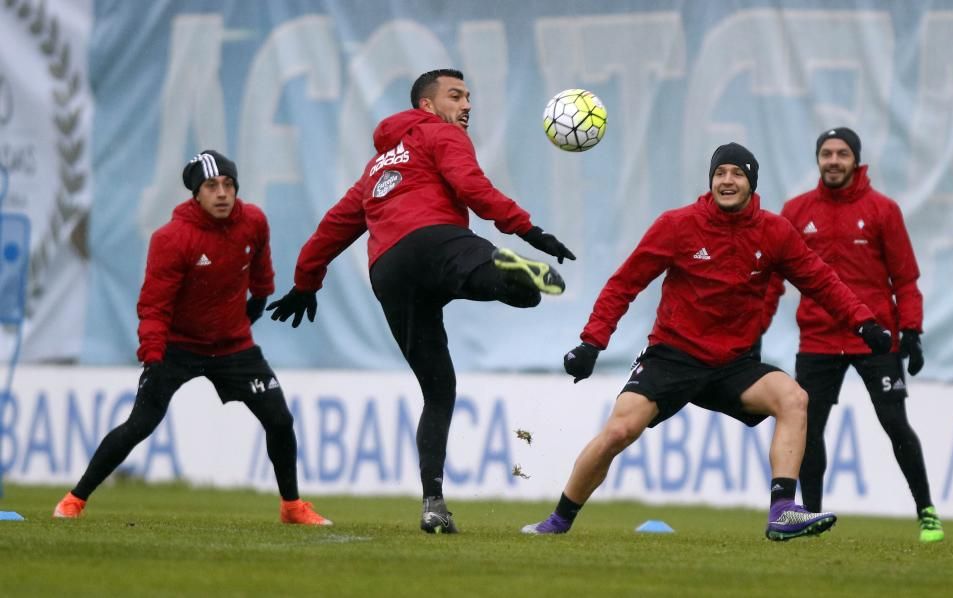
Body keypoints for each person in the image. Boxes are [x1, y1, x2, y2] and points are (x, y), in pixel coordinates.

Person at [522, 142, 893, 541]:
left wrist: (863, 324)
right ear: (711, 180)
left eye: (736, 173)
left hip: (734, 364)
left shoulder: (774, 231)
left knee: (793, 398)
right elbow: (624, 284)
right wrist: (591, 343)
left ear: (751, 182)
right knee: (619, 432)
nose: (727, 181)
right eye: (720, 173)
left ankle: (783, 510)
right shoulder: (678, 225)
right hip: (673, 356)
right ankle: (558, 521)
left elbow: (821, 281)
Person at [266, 69, 575, 534]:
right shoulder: (441, 135)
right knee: (524, 293)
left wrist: (306, 281)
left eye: (469, 96)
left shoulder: (375, 170)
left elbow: (332, 227)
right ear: (426, 106)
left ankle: (433, 503)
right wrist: (527, 229)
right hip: (436, 240)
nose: (467, 104)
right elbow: (472, 188)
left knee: (438, 389)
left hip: (389, 273)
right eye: (456, 96)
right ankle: (506, 267)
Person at [53, 151, 330, 526]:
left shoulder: (254, 222)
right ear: (195, 194)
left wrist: (260, 297)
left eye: (229, 185)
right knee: (141, 425)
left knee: (280, 419)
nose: (222, 193)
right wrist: (153, 355)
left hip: (233, 347)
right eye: (212, 186)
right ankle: (74, 498)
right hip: (176, 348)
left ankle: (292, 507)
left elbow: (260, 264)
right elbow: (153, 306)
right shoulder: (171, 238)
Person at [762, 128, 943, 543]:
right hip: (819, 339)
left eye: (842, 153)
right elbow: (772, 281)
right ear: (818, 159)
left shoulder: (883, 210)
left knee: (895, 423)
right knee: (807, 429)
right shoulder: (796, 210)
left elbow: (906, 278)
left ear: (856, 160)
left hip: (876, 338)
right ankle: (808, 514)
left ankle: (927, 511)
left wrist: (912, 331)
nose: (833, 160)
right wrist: (757, 328)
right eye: (826, 153)